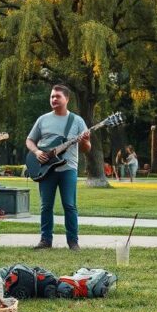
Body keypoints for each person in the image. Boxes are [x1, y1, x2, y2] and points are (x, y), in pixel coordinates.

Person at [25, 85, 91, 250]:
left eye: (57, 97)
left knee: (69, 205)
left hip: (68, 168)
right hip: (45, 168)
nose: (54, 99)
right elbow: (29, 140)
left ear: (67, 99)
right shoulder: (43, 119)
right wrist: (37, 151)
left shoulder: (77, 121)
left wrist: (84, 141)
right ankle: (45, 240)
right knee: (45, 205)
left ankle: (73, 242)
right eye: (52, 96)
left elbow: (87, 148)